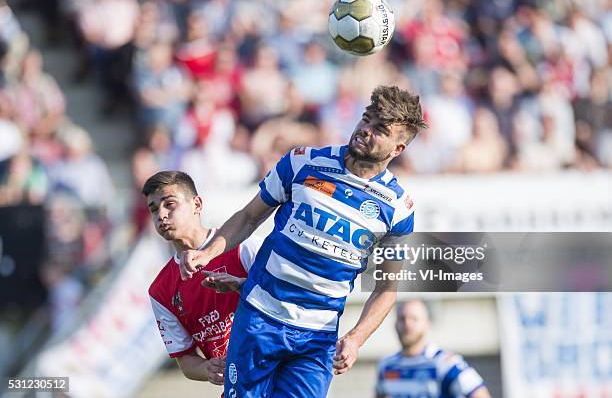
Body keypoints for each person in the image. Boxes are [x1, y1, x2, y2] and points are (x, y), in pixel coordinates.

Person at [180, 85, 427, 397]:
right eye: (366, 119)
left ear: (398, 149)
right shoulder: (303, 162)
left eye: (379, 129)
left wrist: (355, 338)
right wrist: (206, 253)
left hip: (317, 338)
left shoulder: (397, 208)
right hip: (260, 318)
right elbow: (248, 217)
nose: (365, 130)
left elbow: (386, 289)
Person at [145, 171, 260, 384]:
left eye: (169, 204)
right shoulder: (160, 290)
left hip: (277, 369)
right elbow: (185, 360)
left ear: (197, 204)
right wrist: (207, 368)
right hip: (239, 386)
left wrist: (242, 286)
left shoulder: (241, 246)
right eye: (154, 209)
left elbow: (282, 293)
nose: (161, 215)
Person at [375, 300, 492, 398]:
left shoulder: (445, 363)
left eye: (414, 319)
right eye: (402, 319)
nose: (407, 324)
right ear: (395, 324)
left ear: (427, 324)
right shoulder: (387, 365)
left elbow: (480, 394)